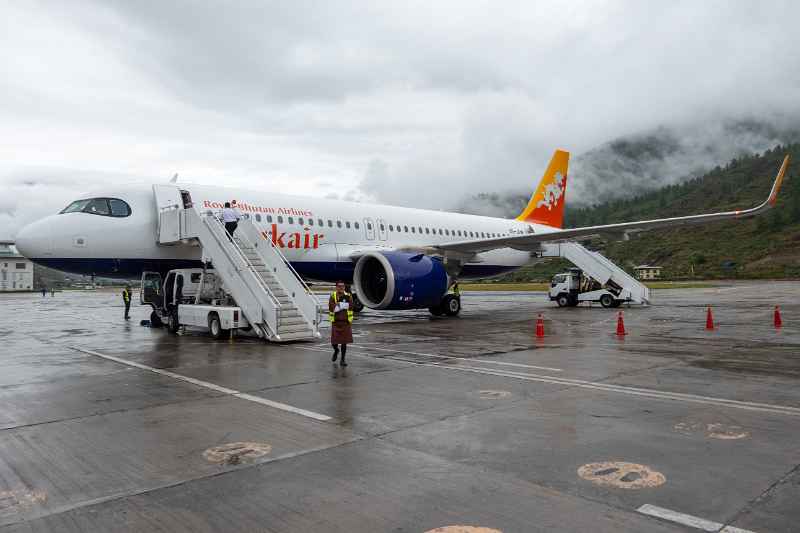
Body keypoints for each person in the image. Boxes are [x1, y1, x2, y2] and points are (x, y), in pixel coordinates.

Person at [329, 281, 354, 367]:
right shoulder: (333, 296)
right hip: (336, 322)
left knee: (344, 342)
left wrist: (340, 305)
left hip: (345, 321)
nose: (341, 288)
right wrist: (340, 306)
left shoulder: (349, 296)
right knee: (334, 342)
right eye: (339, 286)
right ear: (336, 287)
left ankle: (342, 360)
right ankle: (336, 350)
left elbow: (351, 306)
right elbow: (332, 308)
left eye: (343, 286)